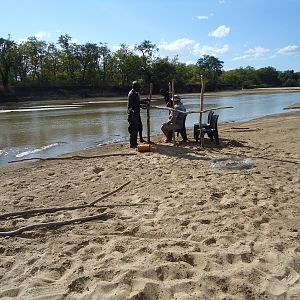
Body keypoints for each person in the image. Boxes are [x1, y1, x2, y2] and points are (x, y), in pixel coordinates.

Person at [127, 81, 145, 148]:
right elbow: (130, 107)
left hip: (137, 114)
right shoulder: (131, 94)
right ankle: (132, 144)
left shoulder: (136, 93)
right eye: (138, 87)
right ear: (135, 87)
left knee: (139, 127)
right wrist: (132, 116)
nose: (140, 89)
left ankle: (137, 141)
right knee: (133, 129)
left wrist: (143, 103)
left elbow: (137, 103)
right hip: (133, 115)